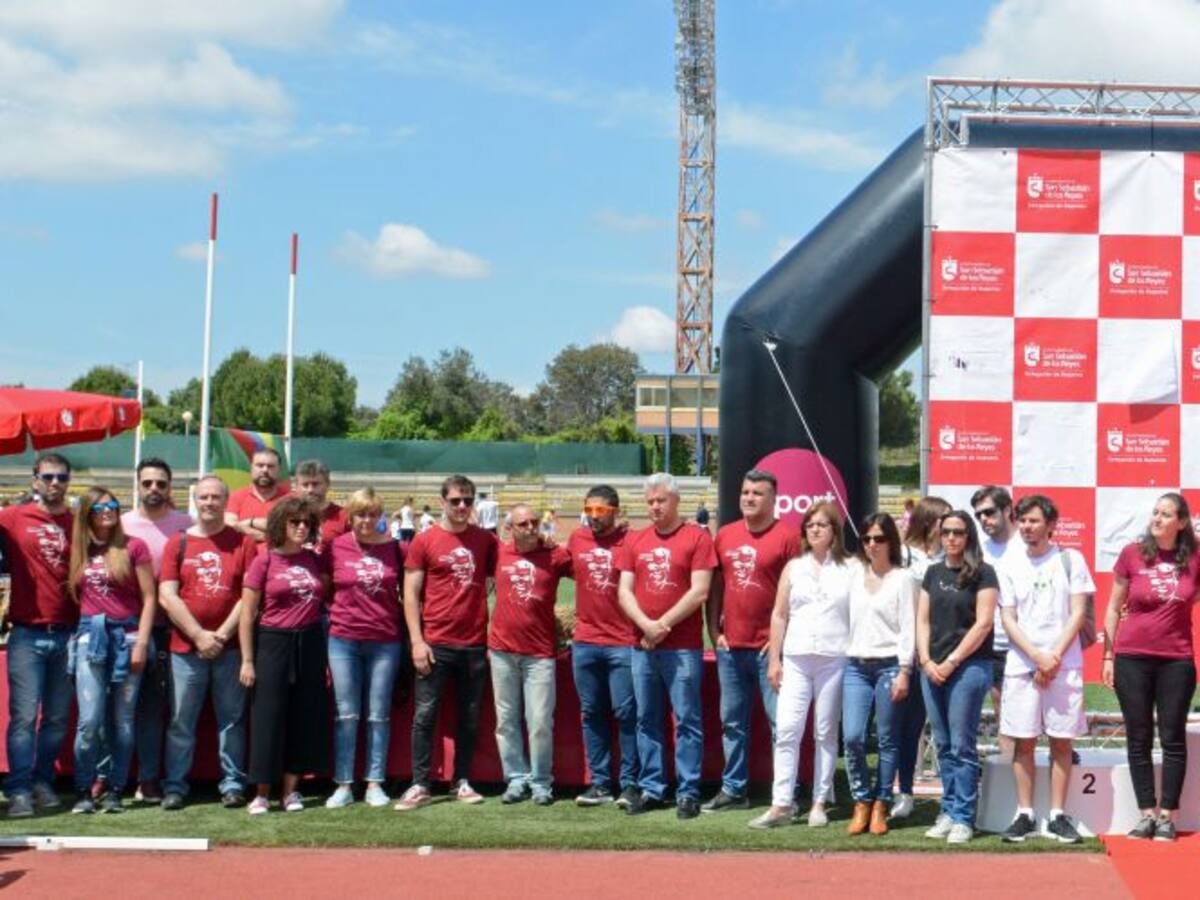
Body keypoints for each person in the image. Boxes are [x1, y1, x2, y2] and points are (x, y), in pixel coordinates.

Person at [749, 502, 857, 830]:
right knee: (786, 729)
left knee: (825, 732)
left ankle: (819, 801)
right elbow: (779, 614)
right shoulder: (793, 568)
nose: (814, 530)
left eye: (822, 525)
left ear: (834, 531)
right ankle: (781, 803)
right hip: (795, 658)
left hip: (834, 657)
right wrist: (774, 660)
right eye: (809, 525)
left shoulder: (851, 568)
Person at [395, 475, 498, 811]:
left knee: (469, 717)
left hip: (472, 644)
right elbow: (409, 594)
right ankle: (421, 783)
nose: (462, 506)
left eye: (468, 500)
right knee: (425, 715)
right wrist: (417, 641)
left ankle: (461, 780)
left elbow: (502, 576)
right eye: (455, 500)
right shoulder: (425, 541)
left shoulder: (485, 540)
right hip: (435, 642)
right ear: (442, 502)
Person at [617, 473, 716, 819]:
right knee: (647, 719)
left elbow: (700, 591)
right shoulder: (635, 540)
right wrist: (646, 626)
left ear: (676, 501)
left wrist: (662, 625)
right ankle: (652, 788)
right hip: (642, 645)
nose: (655, 507)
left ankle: (688, 791)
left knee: (686, 720)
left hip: (682, 647)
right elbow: (624, 590)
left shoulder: (696, 537)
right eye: (650, 502)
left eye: (661, 500)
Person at [1102, 492, 1200, 843]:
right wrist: (1109, 656)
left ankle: (1168, 817)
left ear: (1182, 522)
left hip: (1177, 660)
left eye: (1166, 514)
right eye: (1155, 512)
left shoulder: (1195, 557)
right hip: (1132, 658)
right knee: (1138, 736)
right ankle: (1146, 814)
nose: (1157, 518)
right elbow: (1113, 608)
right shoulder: (1132, 554)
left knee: (1173, 737)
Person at [703, 470, 801, 814]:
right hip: (732, 650)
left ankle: (784, 794)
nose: (749, 498)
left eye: (757, 493)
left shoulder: (789, 537)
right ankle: (734, 790)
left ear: (774, 499)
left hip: (769, 651)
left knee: (781, 725)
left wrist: (781, 643)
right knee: (732, 723)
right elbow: (715, 588)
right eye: (745, 492)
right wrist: (715, 632)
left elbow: (798, 596)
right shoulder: (726, 535)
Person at [159, 475, 258, 810]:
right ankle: (175, 785)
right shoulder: (179, 542)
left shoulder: (242, 543)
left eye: (216, 497)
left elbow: (248, 597)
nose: (210, 503)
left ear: (225, 501)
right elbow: (167, 596)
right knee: (180, 721)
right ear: (195, 501)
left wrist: (222, 635)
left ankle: (232, 784)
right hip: (185, 651)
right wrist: (200, 636)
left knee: (232, 720)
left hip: (229, 650)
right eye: (204, 497)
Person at [997, 495, 1091, 844]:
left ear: (1051, 525)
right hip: (1023, 666)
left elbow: (1078, 612)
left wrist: (1052, 657)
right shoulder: (1009, 564)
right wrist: (1037, 656)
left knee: (1061, 743)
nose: (1026, 527)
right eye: (1022, 521)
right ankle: (1024, 814)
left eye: (1034, 521)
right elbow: (1008, 617)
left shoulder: (1070, 560)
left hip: (1063, 666)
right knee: (1023, 742)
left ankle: (1056, 815)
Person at [238, 497, 331, 814]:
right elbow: (248, 613)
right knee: (267, 717)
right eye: (295, 522)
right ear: (280, 524)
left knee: (303, 717)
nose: (301, 527)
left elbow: (326, 599)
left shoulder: (314, 560)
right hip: (272, 642)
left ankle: (291, 791)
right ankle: (262, 791)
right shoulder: (264, 561)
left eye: (306, 522)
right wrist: (248, 660)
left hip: (309, 642)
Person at [67, 487, 156, 814]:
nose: (108, 510)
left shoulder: (134, 546)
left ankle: (117, 788)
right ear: (87, 512)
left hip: (128, 637)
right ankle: (83, 788)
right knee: (89, 721)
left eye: (113, 505)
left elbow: (150, 599)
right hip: (90, 638)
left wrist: (143, 643)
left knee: (123, 721)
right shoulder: (80, 550)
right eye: (100, 506)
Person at [0, 452, 76, 818]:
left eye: (61, 477)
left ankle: (43, 781)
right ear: (34, 480)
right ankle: (18, 789)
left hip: (68, 633)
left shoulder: (78, 523)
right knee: (24, 718)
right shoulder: (12, 518)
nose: (55, 483)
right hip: (27, 633)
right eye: (48, 477)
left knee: (58, 718)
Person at [917, 509, 997, 844]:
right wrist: (925, 659)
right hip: (932, 668)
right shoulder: (932, 573)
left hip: (968, 667)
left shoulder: (983, 573)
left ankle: (965, 816)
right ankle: (948, 811)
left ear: (969, 537)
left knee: (962, 745)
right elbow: (922, 620)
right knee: (944, 745)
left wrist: (951, 661)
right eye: (946, 531)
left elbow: (983, 624)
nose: (951, 538)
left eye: (958, 532)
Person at [326, 488, 405, 809]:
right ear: (350, 516)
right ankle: (344, 783)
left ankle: (374, 782)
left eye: (373, 514)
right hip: (343, 638)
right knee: (346, 714)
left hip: (385, 640)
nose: (366, 520)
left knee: (378, 715)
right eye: (361, 514)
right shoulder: (335, 547)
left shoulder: (398, 549)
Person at [490, 503, 572, 805]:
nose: (530, 528)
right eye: (523, 524)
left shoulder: (555, 555)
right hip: (501, 651)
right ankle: (515, 778)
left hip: (539, 653)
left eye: (534, 523)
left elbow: (590, 576)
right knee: (506, 721)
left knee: (539, 721)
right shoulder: (497, 553)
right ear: (510, 528)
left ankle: (540, 782)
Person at [122, 457, 193, 803]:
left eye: (161, 484)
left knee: (153, 708)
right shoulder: (120, 525)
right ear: (137, 485)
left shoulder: (186, 525)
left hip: (170, 631)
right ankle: (108, 777)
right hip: (124, 630)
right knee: (115, 707)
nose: (154, 490)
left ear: (170, 487)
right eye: (147, 483)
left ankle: (148, 778)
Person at [843, 512, 916, 836]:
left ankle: (881, 803)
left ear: (891, 542)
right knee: (854, 736)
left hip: (890, 665)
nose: (872, 544)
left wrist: (904, 670)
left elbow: (909, 629)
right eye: (867, 539)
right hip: (855, 666)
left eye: (879, 538)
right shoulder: (853, 572)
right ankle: (861, 799)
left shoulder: (903, 578)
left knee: (888, 739)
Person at [567, 485, 639, 808]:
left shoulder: (630, 541)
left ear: (616, 511)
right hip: (584, 642)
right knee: (591, 713)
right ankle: (599, 784)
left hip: (622, 642)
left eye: (601, 511)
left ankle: (629, 783)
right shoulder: (576, 539)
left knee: (626, 714)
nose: (593, 517)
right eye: (589, 510)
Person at [893, 494, 950, 819]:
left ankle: (949, 796)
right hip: (907, 652)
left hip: (941, 651)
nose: (950, 527)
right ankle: (905, 792)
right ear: (930, 521)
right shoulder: (904, 555)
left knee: (943, 729)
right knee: (907, 726)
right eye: (944, 520)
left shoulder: (952, 556)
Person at [972, 485, 1022, 762]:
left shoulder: (1027, 544)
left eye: (989, 512)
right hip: (993, 644)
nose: (984, 520)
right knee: (1005, 714)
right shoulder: (978, 551)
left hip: (1027, 645)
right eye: (978, 515)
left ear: (1007, 510)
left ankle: (1054, 791)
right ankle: (1011, 787)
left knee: (1044, 715)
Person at [225, 448, 291, 542]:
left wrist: (251, 522)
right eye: (260, 465)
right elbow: (229, 525)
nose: (265, 470)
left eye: (270, 466)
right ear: (251, 468)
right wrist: (264, 536)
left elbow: (290, 528)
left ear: (279, 470)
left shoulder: (291, 499)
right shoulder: (236, 497)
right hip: (246, 555)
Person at [293, 459, 347, 554]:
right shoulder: (288, 514)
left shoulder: (344, 516)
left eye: (315, 484)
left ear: (327, 484)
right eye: (305, 485)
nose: (310, 490)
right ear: (296, 487)